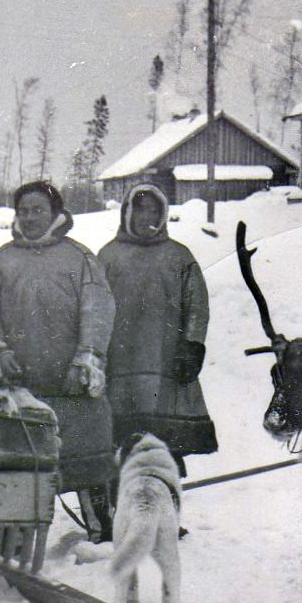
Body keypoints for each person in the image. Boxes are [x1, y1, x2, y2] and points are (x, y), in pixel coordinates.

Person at [0, 180, 117, 541]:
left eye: (38, 210)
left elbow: (97, 311)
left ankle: (102, 530)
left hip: (72, 385)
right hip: (22, 386)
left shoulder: (80, 258)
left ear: (56, 214)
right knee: (21, 462)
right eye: (23, 211)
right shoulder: (3, 260)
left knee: (88, 457)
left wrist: (85, 360)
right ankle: (16, 539)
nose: (30, 217)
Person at [98, 183, 217, 487]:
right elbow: (94, 308)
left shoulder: (179, 256)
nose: (147, 217)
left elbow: (197, 307)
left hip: (165, 364)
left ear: (164, 214)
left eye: (154, 210)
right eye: (140, 209)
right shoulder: (108, 257)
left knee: (165, 446)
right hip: (120, 364)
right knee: (119, 443)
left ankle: (166, 507)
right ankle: (119, 510)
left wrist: (192, 346)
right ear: (127, 212)